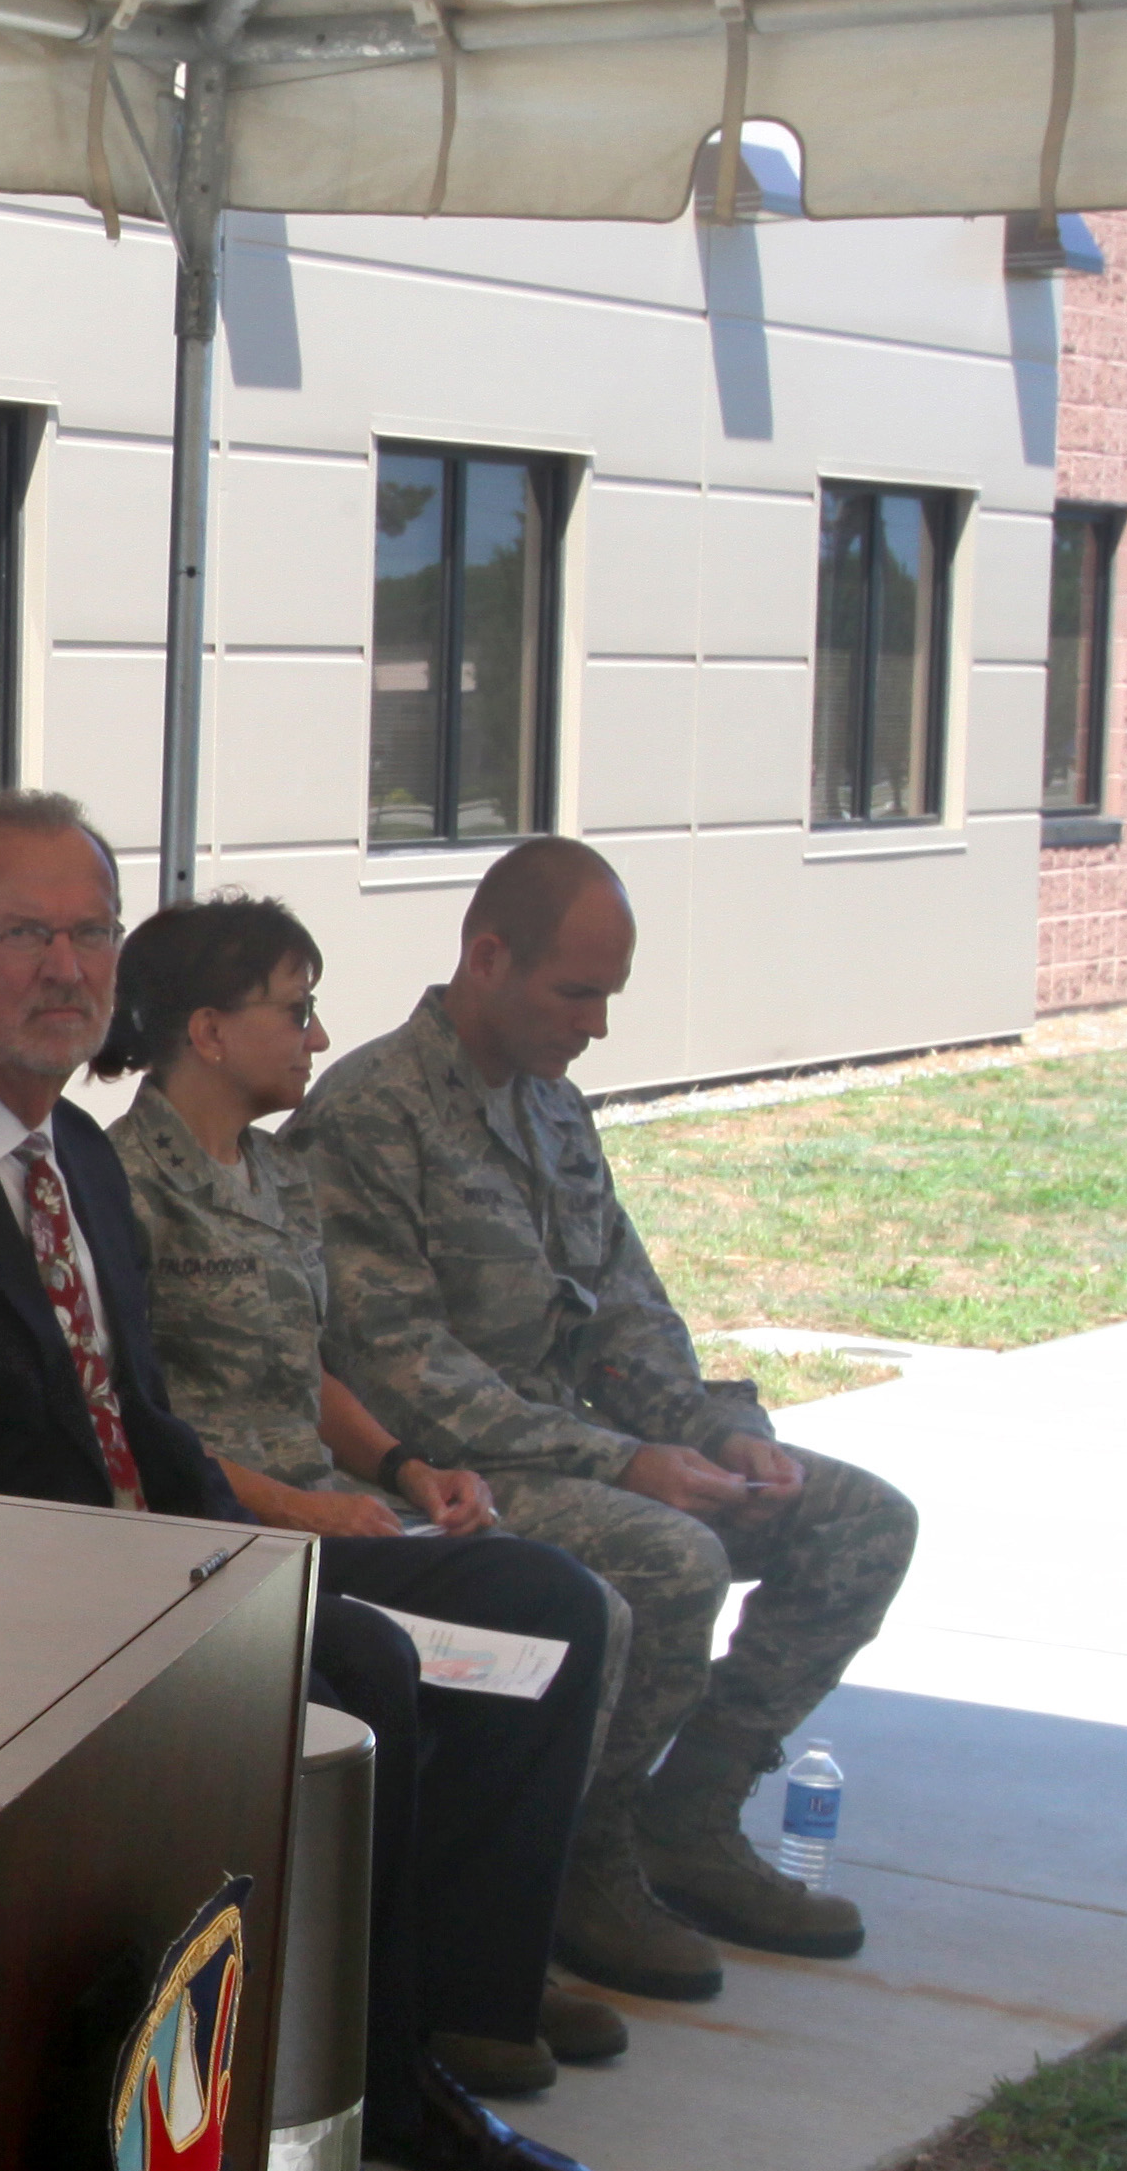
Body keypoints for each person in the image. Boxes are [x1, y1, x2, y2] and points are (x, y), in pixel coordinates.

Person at [0, 798, 615, 2171]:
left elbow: (139, 1417)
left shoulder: (72, 1154)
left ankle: (401, 2068)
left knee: (511, 1621)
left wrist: (257, 1547)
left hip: (164, 1560)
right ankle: (290, 2165)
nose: (65, 966)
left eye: (90, 933)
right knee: (357, 1674)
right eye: (27, 934)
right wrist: (195, 1587)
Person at [301, 836, 918, 2000]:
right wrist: (629, 1461)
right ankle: (584, 1864)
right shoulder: (372, 1113)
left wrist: (715, 1427)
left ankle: (692, 1818)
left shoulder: (552, 1111)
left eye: (608, 996)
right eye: (575, 992)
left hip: (583, 1452)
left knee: (862, 1523)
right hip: (444, 1474)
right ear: (487, 958)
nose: (595, 1025)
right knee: (674, 1558)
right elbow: (401, 1375)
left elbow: (623, 1311)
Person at [96, 890, 639, 2105]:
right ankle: (409, 2008)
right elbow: (142, 1425)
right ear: (207, 1031)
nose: (317, 1037)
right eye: (293, 1011)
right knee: (417, 1653)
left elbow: (309, 1363)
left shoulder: (280, 1174)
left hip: (333, 1507)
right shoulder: (125, 1182)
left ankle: (482, 1978)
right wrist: (307, 1510)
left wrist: (402, 1469)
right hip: (229, 1533)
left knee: (556, 1601)